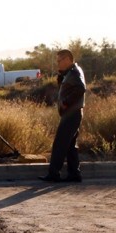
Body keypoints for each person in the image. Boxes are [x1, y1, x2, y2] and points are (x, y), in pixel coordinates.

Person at [40, 49, 86, 182]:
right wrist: (61, 77)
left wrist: (66, 103)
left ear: (67, 59)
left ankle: (54, 174)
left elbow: (81, 88)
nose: (58, 63)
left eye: (60, 61)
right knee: (71, 145)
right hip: (72, 113)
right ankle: (74, 174)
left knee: (60, 144)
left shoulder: (75, 72)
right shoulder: (70, 73)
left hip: (72, 114)